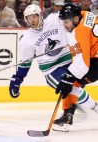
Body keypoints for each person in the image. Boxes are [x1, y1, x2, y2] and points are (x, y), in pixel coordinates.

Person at [9, 4, 98, 132]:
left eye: (35, 16)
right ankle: (87, 108)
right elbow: (25, 63)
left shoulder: (55, 19)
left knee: (72, 86)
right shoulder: (26, 40)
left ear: (41, 15)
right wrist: (17, 79)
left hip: (69, 61)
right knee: (71, 87)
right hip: (52, 69)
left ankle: (70, 110)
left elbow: (72, 19)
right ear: (25, 19)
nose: (32, 20)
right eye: (29, 18)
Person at [55, 3, 98, 131]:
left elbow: (82, 65)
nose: (64, 25)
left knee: (71, 83)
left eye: (66, 22)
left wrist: (67, 78)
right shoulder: (86, 14)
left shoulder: (79, 33)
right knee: (73, 82)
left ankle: (66, 119)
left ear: (75, 19)